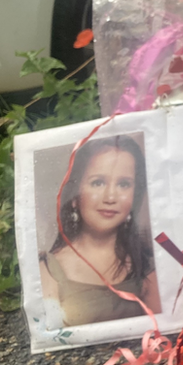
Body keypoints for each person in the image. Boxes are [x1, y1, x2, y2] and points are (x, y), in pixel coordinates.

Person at [39, 135, 161, 327]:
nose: (110, 197)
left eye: (123, 184)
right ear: (74, 195)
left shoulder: (146, 264)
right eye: (98, 183)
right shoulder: (50, 269)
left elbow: (168, 332)